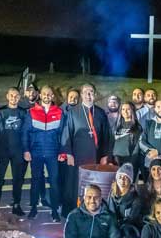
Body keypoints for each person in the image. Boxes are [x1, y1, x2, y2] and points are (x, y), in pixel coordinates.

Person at [61, 83, 112, 216]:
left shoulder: (100, 113)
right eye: (86, 93)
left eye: (91, 92)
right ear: (82, 95)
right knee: (74, 185)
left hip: (96, 155)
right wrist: (68, 153)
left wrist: (106, 155)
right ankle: (72, 212)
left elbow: (106, 135)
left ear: (94, 95)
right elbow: (67, 133)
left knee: (94, 184)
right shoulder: (73, 112)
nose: (89, 95)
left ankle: (94, 210)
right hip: (78, 155)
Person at [22, 85, 63, 221]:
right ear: (40, 95)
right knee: (35, 181)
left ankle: (55, 210)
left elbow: (63, 134)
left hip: (52, 152)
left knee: (54, 182)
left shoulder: (59, 112)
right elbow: (25, 133)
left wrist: (62, 151)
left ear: (52, 96)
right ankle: (34, 208)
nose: (46, 96)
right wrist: (26, 150)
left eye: (49, 94)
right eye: (44, 94)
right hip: (36, 152)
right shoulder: (32, 112)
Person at [0, 88, 29, 216]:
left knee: (18, 179)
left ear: (19, 98)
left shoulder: (23, 113)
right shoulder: (1, 112)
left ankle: (16, 204)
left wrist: (27, 150)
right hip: (2, 150)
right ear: (7, 96)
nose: (14, 98)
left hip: (18, 151)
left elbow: (27, 132)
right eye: (11, 95)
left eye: (16, 96)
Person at [106, 164, 144, 238]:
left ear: (130, 180)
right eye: (120, 177)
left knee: (125, 229)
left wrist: (119, 225)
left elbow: (132, 218)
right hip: (118, 223)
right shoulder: (113, 193)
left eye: (126, 178)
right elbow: (110, 211)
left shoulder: (136, 198)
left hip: (133, 227)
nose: (122, 180)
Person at [111, 101, 142, 175]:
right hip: (116, 160)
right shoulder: (116, 126)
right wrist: (110, 159)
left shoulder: (137, 127)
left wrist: (132, 162)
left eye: (128, 109)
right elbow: (111, 143)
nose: (125, 111)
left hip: (129, 160)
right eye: (123, 109)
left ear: (132, 111)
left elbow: (137, 147)